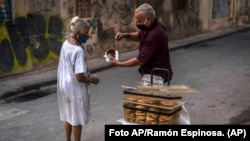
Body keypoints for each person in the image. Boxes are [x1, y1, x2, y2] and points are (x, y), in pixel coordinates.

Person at [109, 3, 190, 125]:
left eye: (140, 20)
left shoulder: (155, 34)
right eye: (137, 20)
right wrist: (125, 35)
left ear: (149, 19)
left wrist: (119, 63)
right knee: (156, 111)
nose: (138, 23)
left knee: (154, 114)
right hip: (151, 75)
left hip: (156, 77)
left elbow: (140, 60)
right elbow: (139, 35)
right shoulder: (151, 27)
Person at [57, 16, 100, 141]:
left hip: (64, 86)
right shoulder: (78, 50)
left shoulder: (66, 43)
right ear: (77, 32)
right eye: (86, 32)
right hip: (73, 87)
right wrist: (92, 80)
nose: (88, 35)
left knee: (68, 116)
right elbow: (79, 76)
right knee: (76, 119)